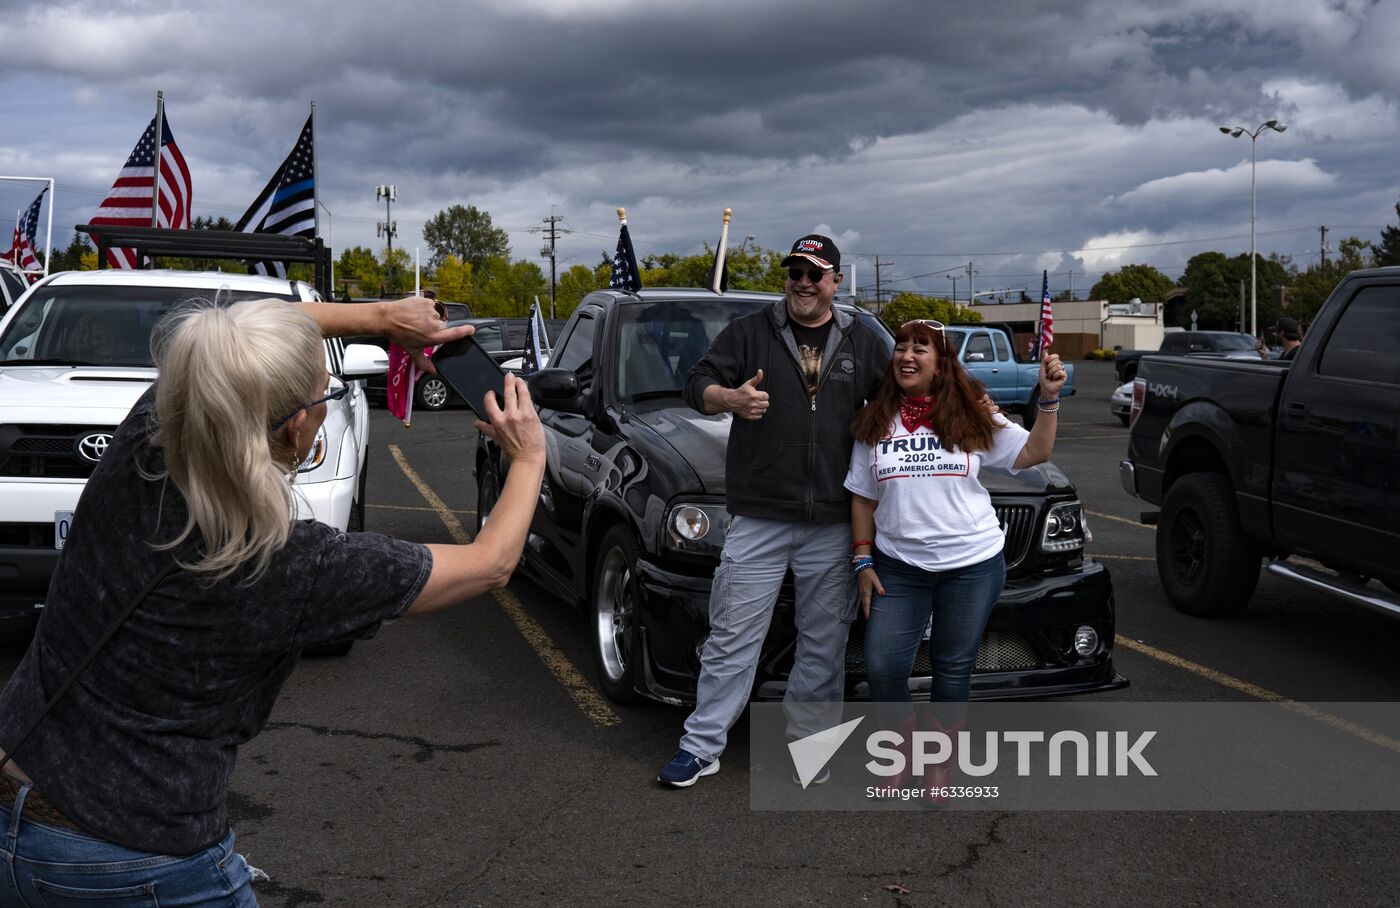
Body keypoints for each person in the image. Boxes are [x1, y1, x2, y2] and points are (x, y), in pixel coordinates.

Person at [0, 295, 545, 905]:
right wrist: (528, 456)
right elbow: (491, 564)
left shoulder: (146, 445)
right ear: (296, 425)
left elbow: (227, 335)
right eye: (325, 394)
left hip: (12, 796)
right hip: (137, 857)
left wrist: (380, 319)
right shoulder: (295, 563)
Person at [657, 234, 888, 788]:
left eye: (815, 274)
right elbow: (696, 384)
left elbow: (906, 395)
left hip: (834, 522)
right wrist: (730, 399)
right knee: (733, 636)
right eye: (794, 273)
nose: (802, 283)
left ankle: (809, 750)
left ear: (835, 280)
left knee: (823, 643)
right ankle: (702, 745)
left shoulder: (861, 339)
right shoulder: (751, 332)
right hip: (759, 517)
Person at [844, 319, 1066, 793]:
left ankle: (938, 758)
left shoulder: (972, 416)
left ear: (942, 364)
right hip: (899, 566)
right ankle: (900, 745)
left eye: (919, 348)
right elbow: (862, 499)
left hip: (972, 564)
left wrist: (1047, 398)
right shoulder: (875, 421)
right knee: (883, 664)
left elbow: (1035, 452)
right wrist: (863, 563)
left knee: (952, 665)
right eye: (901, 347)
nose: (906, 355)